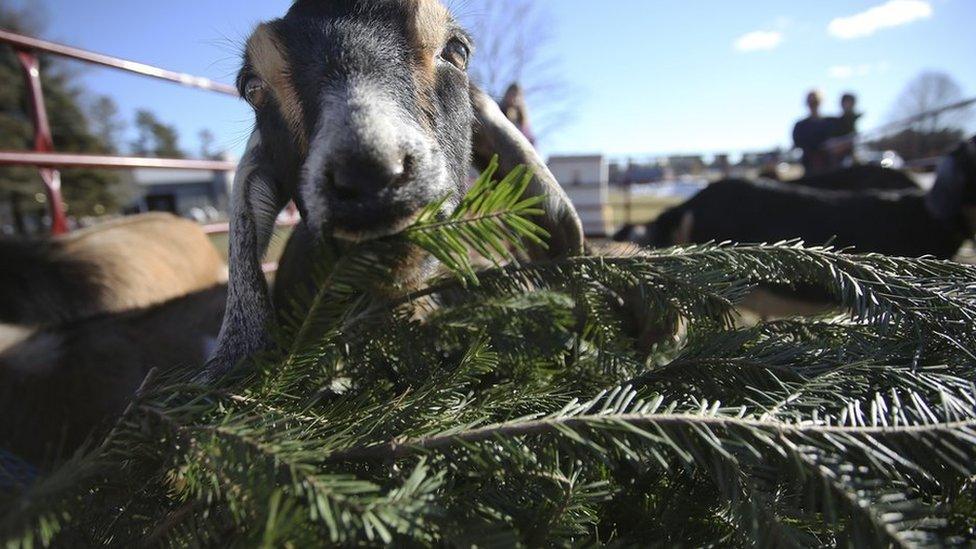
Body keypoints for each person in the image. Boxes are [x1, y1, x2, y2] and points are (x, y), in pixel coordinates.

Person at [792, 90, 833, 176]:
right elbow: (797, 144)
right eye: (811, 102)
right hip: (810, 167)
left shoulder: (831, 122)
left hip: (831, 166)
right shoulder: (800, 126)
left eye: (815, 102)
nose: (813, 105)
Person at [826, 93, 861, 167]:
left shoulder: (855, 120)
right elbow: (831, 145)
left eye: (851, 102)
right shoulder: (834, 122)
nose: (849, 105)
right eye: (847, 102)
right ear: (842, 104)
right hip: (838, 163)